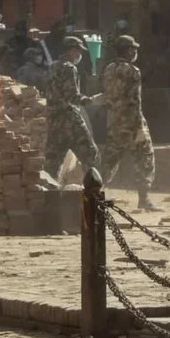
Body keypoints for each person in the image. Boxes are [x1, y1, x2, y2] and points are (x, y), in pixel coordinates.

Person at [99, 36, 157, 212]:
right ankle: (144, 199)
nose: (135, 52)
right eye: (134, 49)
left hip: (114, 122)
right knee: (145, 158)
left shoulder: (108, 69)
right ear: (128, 51)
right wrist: (139, 128)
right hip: (131, 124)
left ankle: (94, 194)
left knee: (109, 160)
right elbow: (135, 101)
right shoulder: (133, 71)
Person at [43, 36, 99, 181]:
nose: (79, 55)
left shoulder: (52, 66)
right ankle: (93, 196)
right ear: (71, 50)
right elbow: (72, 96)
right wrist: (90, 100)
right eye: (78, 52)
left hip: (54, 120)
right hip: (70, 121)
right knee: (90, 155)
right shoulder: (69, 68)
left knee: (52, 163)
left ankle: (51, 198)